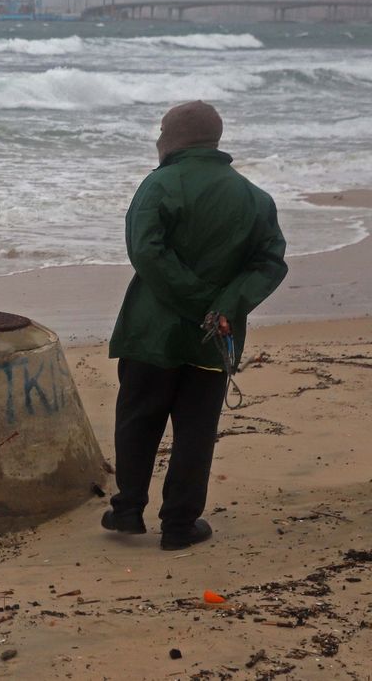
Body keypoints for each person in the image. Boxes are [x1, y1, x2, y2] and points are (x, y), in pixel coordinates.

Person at [102, 100, 288, 550]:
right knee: (196, 430)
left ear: (175, 138)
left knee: (137, 419)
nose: (158, 138)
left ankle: (128, 511)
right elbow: (270, 262)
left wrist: (197, 302)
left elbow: (145, 251)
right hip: (215, 337)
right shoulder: (254, 198)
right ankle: (180, 526)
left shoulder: (159, 184)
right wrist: (221, 306)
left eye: (162, 130)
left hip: (151, 334)